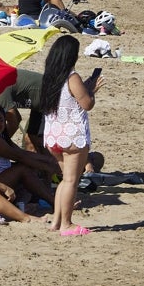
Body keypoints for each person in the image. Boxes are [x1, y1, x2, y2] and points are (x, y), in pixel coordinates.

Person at [39, 34, 100, 235]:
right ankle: (66, 224)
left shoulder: (50, 77)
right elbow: (87, 104)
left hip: (53, 135)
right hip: (72, 136)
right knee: (71, 181)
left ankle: (56, 221)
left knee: (65, 179)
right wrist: (91, 91)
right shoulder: (72, 77)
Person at [0, 103, 57, 210]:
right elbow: (19, 156)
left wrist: (50, 160)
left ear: (5, 121)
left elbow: (21, 152)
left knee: (30, 168)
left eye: (0, 120)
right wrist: (50, 166)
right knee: (24, 169)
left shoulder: (0, 135)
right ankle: (54, 201)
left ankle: (25, 202)